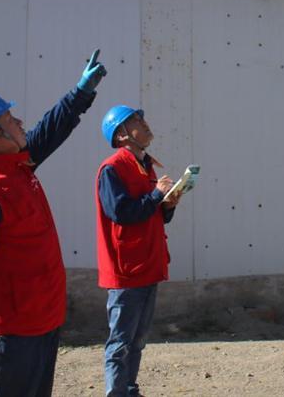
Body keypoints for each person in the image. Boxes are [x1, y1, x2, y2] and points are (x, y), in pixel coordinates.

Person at [0, 49, 107, 397]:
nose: (19, 123)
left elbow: (50, 130)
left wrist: (81, 93)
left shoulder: (17, 166)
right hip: (9, 333)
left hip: (42, 321)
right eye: (9, 118)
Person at [96, 105, 183, 397]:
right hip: (126, 270)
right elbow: (121, 212)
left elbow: (150, 214)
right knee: (121, 340)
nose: (144, 124)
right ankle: (116, 392)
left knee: (138, 339)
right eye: (136, 121)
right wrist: (157, 194)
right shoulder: (112, 169)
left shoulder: (145, 166)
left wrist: (167, 205)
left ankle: (128, 390)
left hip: (147, 264)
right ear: (121, 136)